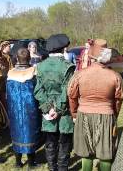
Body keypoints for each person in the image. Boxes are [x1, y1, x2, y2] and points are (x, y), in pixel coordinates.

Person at [68, 39, 123, 171]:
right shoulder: (115, 76)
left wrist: (74, 113)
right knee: (105, 153)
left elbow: (72, 96)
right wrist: (114, 114)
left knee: (85, 152)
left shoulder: (80, 75)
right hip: (106, 115)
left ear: (91, 57)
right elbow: (118, 100)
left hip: (84, 115)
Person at [34, 34, 75, 171]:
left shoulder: (40, 66)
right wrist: (57, 109)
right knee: (64, 140)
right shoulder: (68, 66)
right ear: (64, 48)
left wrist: (48, 108)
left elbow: (38, 90)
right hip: (63, 110)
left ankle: (52, 168)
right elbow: (67, 91)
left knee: (50, 140)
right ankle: (62, 168)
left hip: (49, 110)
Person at [6, 48, 41, 169]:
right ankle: (31, 163)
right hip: (30, 109)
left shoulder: (10, 74)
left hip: (14, 110)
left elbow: (7, 94)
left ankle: (18, 162)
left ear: (16, 58)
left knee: (17, 132)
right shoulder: (34, 73)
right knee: (30, 132)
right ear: (29, 58)